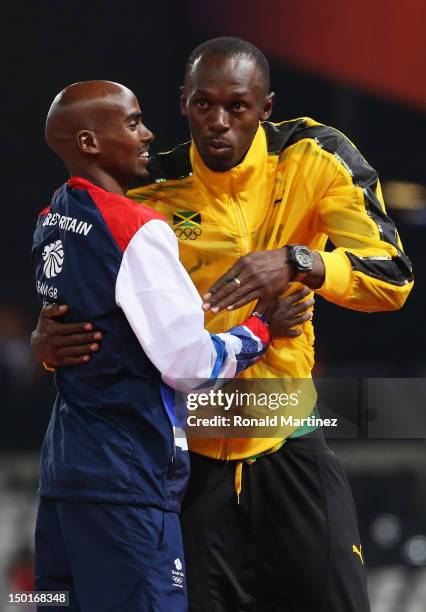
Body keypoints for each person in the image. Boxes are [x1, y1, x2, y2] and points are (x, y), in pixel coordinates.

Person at [32, 39, 413, 612]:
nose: (218, 122)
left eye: (237, 106)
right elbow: (76, 267)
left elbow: (393, 278)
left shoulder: (315, 156)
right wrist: (45, 337)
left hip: (285, 434)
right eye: (203, 105)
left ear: (266, 106)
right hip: (186, 454)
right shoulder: (143, 188)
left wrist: (295, 260)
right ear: (183, 103)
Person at [32, 79, 305, 612]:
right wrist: (262, 329)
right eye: (133, 122)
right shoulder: (137, 228)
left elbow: (79, 327)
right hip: (128, 480)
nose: (148, 134)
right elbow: (191, 364)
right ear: (89, 142)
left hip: (63, 480)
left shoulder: (52, 220)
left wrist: (40, 343)